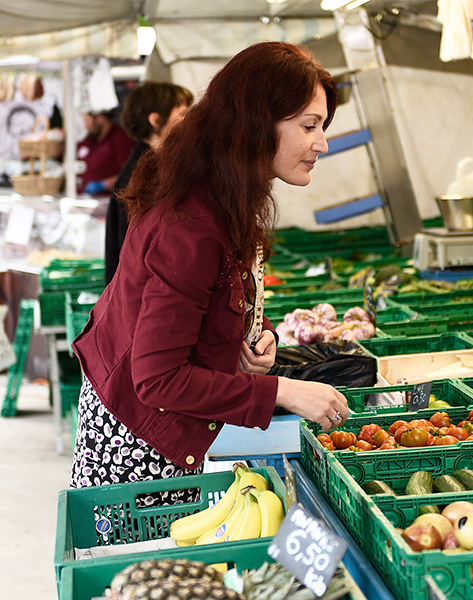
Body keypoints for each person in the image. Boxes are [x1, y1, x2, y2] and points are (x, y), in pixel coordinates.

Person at [70, 42, 349, 490]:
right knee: (144, 557)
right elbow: (158, 380)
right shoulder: (192, 224)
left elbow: (223, 290)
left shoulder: (226, 192)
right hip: (138, 439)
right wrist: (284, 391)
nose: (322, 142)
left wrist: (260, 334)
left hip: (158, 422)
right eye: (309, 125)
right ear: (257, 126)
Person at [105, 82, 194, 284]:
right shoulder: (142, 176)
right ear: (155, 120)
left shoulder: (156, 164)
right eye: (181, 115)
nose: (188, 121)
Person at [77, 110, 136, 195]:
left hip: (107, 201)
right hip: (83, 199)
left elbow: (130, 174)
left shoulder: (121, 139)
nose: (85, 125)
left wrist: (103, 185)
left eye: (87, 121)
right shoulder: (88, 139)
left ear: (100, 118)